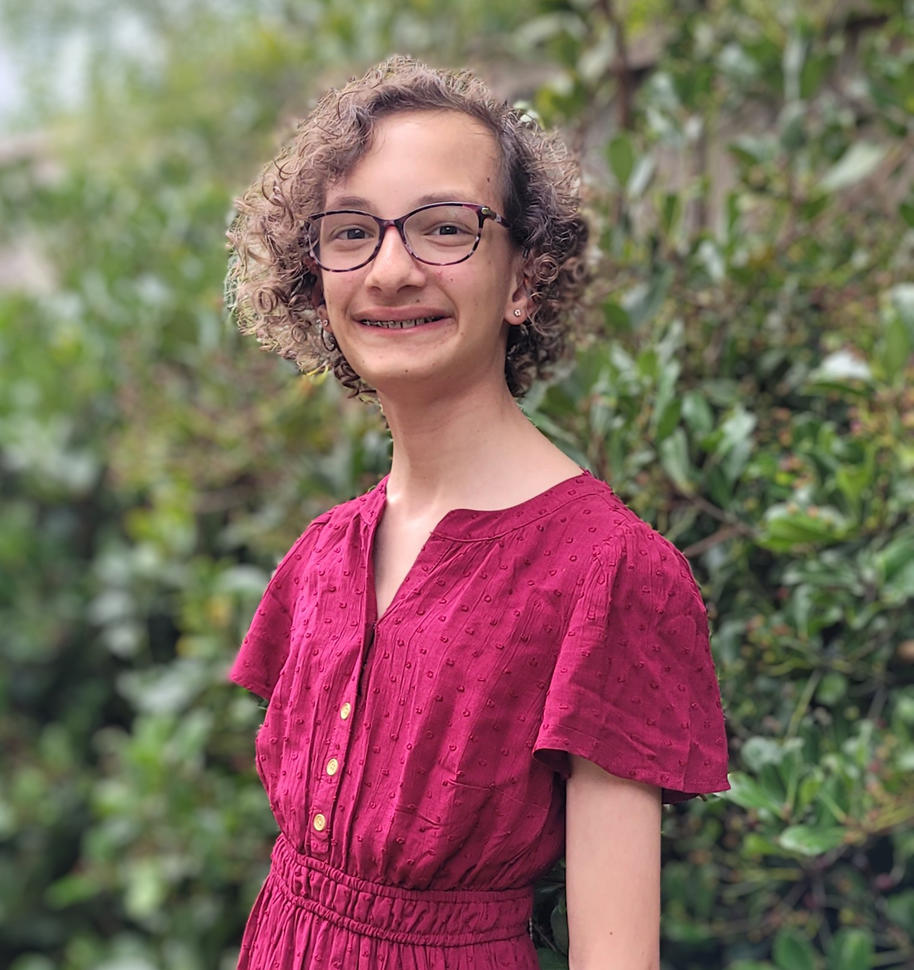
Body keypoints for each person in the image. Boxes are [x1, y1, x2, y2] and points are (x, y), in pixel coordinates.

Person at [225, 55, 729, 970]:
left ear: (526, 277)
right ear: (315, 277)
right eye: (350, 233)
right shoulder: (322, 556)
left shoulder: (609, 574)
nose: (390, 270)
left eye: (444, 228)